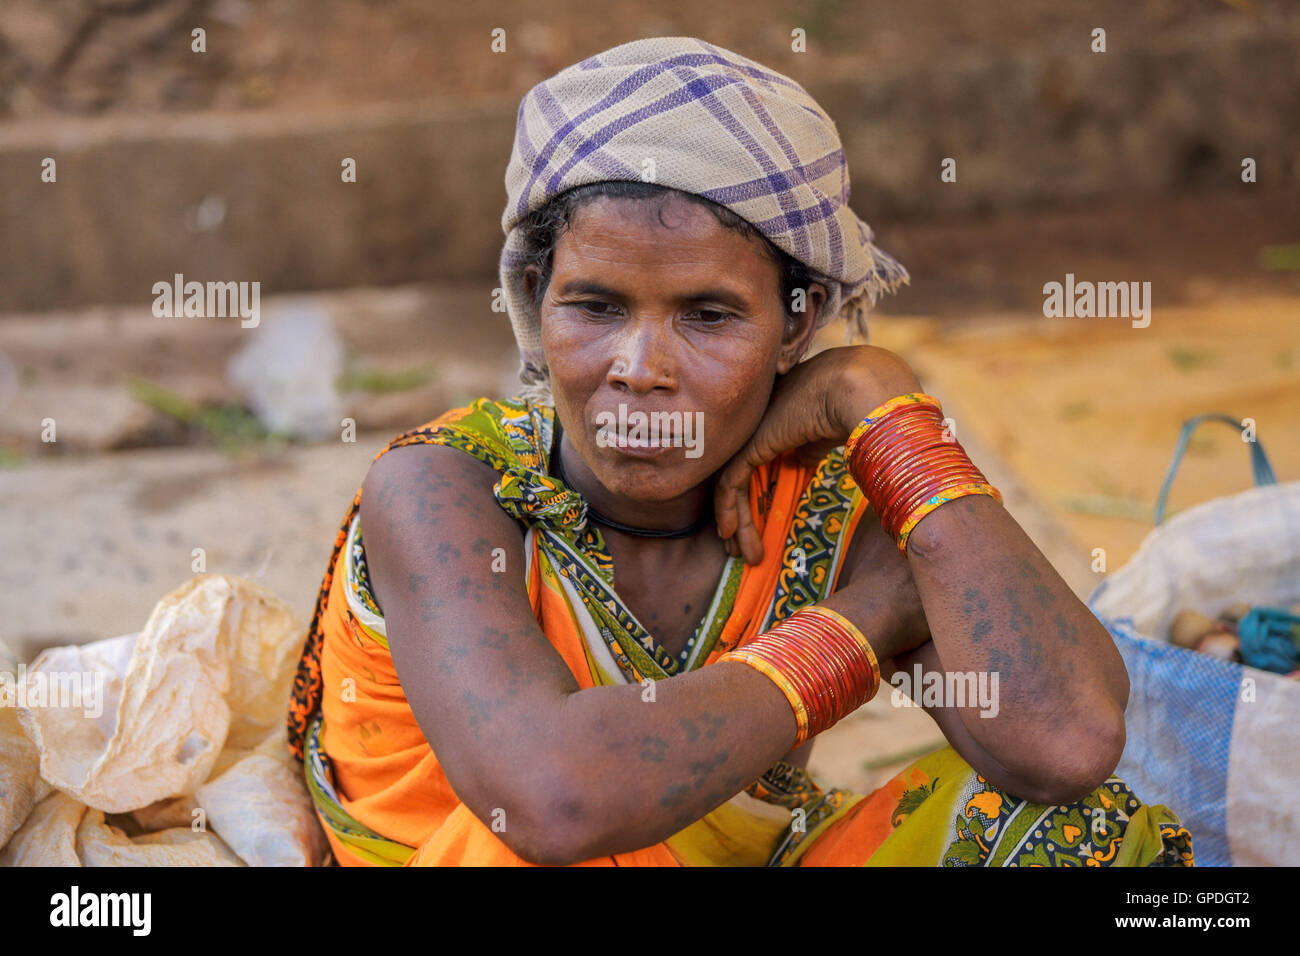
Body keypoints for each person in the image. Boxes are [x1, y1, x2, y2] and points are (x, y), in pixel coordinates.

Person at [285, 37, 1193, 867]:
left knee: (1079, 838)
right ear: (532, 296)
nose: (640, 371)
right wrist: (871, 622)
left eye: (709, 317)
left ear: (798, 323)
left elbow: (1066, 745)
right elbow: (552, 805)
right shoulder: (446, 488)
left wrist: (885, 406)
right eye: (595, 307)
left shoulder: (827, 502)